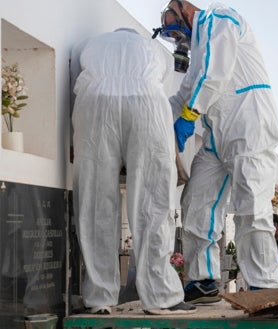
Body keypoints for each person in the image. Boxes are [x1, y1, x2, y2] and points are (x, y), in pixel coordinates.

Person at [154, 0, 278, 304]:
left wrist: (187, 117)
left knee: (251, 206)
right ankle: (204, 280)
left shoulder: (219, 17)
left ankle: (263, 288)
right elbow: (187, 90)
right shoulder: (199, 47)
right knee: (197, 200)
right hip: (216, 129)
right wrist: (156, 119)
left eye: (173, 29)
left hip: (248, 122)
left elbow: (215, 74)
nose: (175, 39)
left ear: (184, 9)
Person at [70, 28, 196, 315]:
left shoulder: (89, 42)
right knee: (153, 202)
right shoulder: (155, 51)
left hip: (94, 101)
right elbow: (161, 83)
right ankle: (161, 296)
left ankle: (99, 297)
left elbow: (79, 77)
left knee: (95, 200)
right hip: (147, 103)